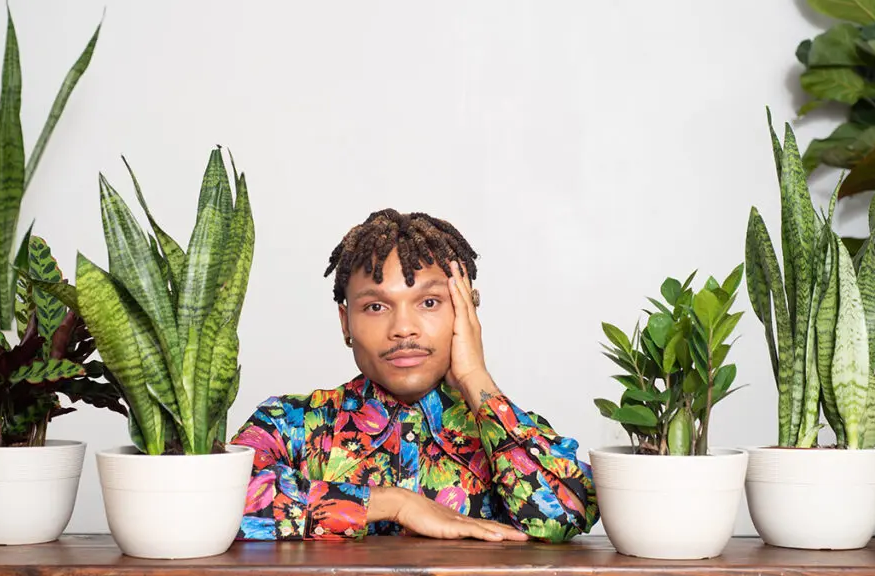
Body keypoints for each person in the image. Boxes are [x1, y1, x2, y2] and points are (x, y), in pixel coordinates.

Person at [229, 209, 598, 542]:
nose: (404, 328)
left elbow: (568, 513)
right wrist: (395, 504)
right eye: (376, 306)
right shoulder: (293, 423)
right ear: (346, 323)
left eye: (429, 303)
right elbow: (216, 501)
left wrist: (475, 376)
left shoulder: (505, 432)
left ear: (465, 310)